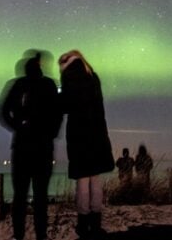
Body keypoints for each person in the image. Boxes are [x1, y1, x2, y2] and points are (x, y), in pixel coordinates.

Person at [0, 51, 63, 240]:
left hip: (25, 147)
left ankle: (22, 235)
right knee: (38, 196)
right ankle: (38, 235)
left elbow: (2, 112)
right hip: (39, 147)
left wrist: (18, 127)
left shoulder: (19, 84)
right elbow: (58, 113)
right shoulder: (47, 84)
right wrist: (50, 132)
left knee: (22, 195)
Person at [59, 50, 114, 239]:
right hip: (97, 135)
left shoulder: (69, 77)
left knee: (82, 182)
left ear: (65, 63)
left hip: (79, 137)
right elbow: (100, 106)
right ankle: (96, 224)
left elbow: (66, 105)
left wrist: (59, 95)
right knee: (95, 181)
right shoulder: (92, 76)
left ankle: (83, 224)